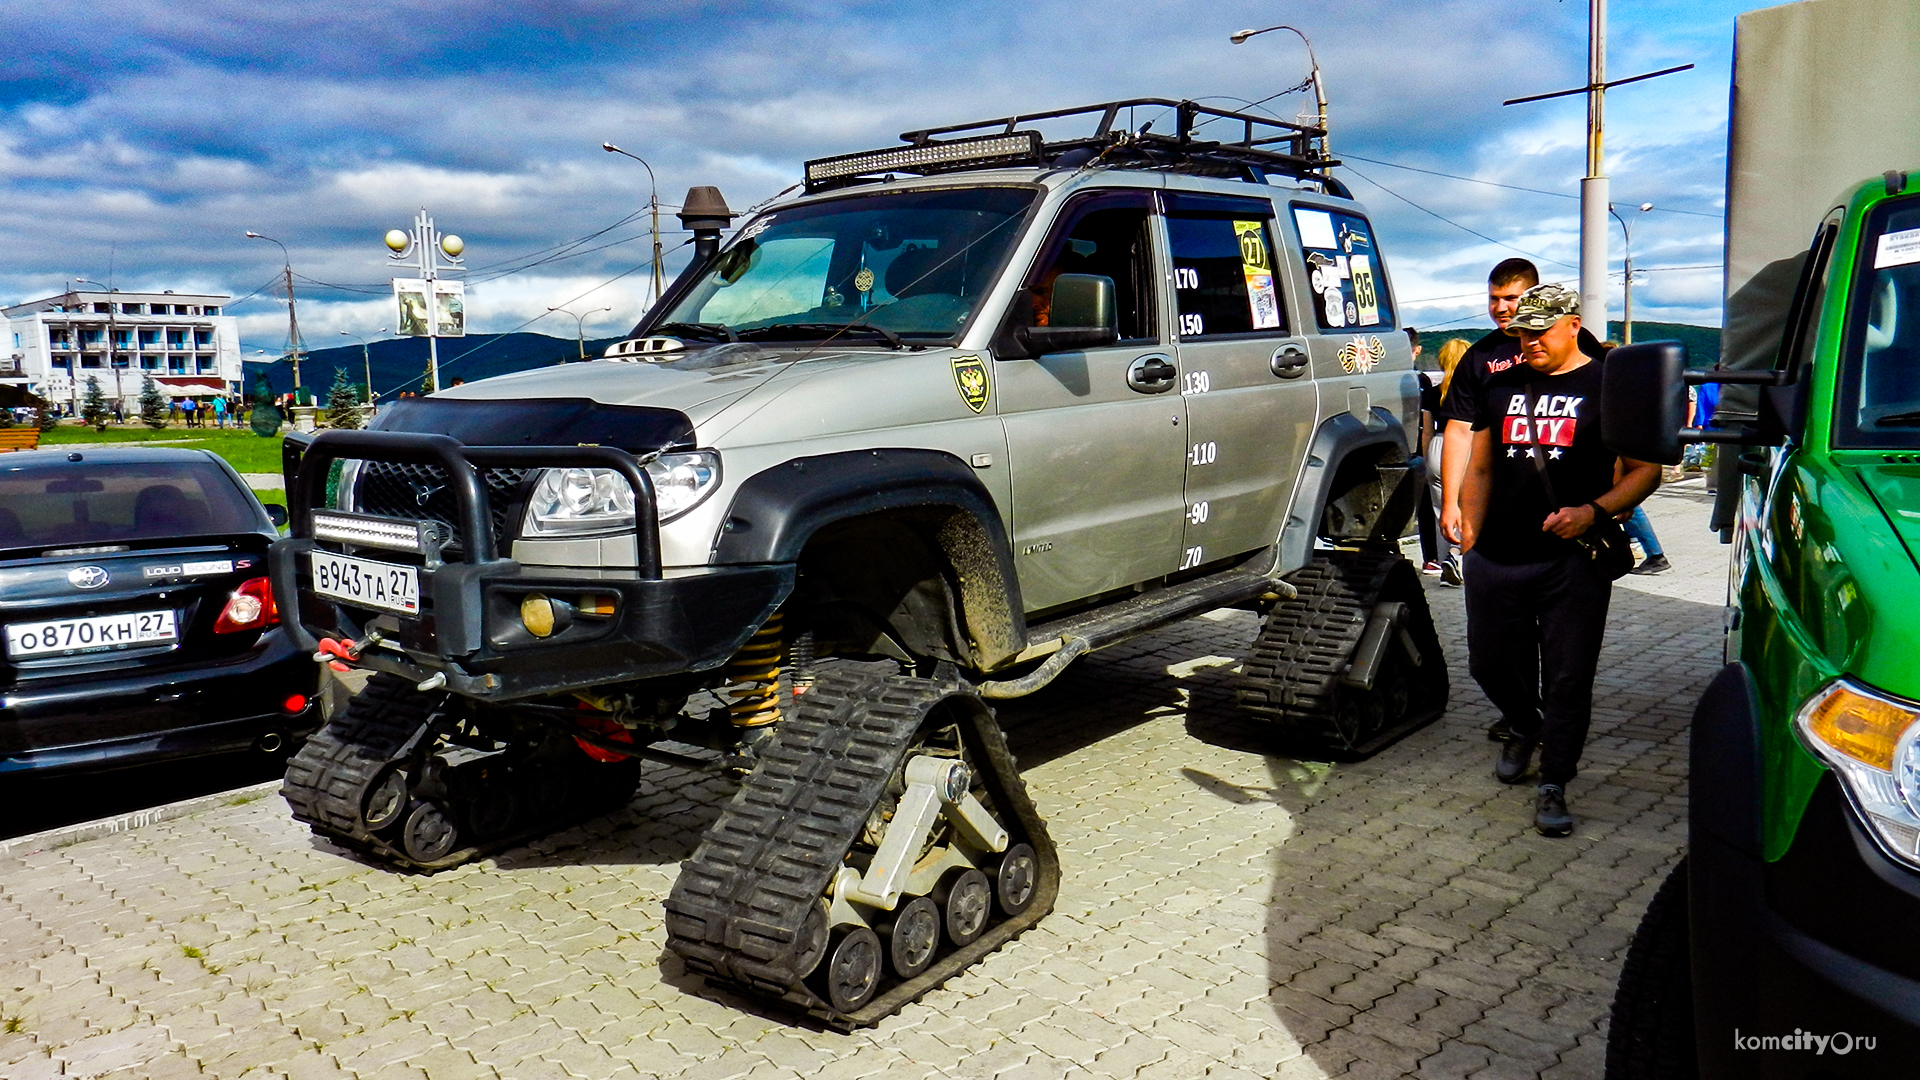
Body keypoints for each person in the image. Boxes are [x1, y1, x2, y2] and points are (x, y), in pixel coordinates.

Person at [1458, 284, 1662, 837]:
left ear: (1572, 324)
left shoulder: (1609, 384)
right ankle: (1525, 725)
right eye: (1521, 332)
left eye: (1539, 331)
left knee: (1569, 679)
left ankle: (1555, 780)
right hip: (1497, 555)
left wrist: (1593, 511)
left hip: (1572, 561)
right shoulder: (1500, 384)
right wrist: (1469, 537)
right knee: (1489, 664)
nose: (1527, 342)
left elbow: (1646, 470)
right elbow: (1480, 468)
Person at [1437, 259, 1607, 736]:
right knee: (1495, 652)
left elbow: (1609, 419)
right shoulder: (1482, 358)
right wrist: (1453, 503)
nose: (1501, 309)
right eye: (1493, 299)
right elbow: (1461, 433)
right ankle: (1523, 718)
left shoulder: (1581, 350)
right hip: (1501, 527)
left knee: (1562, 655)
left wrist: (1611, 501)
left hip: (1569, 532)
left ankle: (1552, 742)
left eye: (1511, 299)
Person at [1426, 338, 1470, 581]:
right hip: (1464, 446)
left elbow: (1426, 431)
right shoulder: (1471, 391)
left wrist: (1426, 459)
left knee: (1440, 511)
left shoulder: (1433, 393)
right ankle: (1457, 554)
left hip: (1437, 447)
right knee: (1469, 507)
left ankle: (1445, 565)